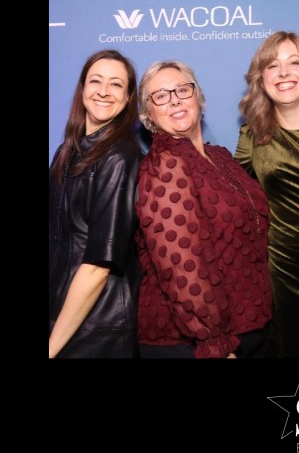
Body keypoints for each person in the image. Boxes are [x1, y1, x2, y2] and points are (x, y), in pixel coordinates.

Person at [135, 60, 271, 358]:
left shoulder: (219, 156)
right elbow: (183, 268)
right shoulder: (165, 165)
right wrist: (214, 343)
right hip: (194, 343)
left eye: (182, 89)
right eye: (161, 95)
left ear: (198, 96)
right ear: (149, 114)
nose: (174, 100)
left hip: (248, 328)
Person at [236, 31, 299, 357]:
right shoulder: (252, 136)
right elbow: (232, 197)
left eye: (294, 62)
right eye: (272, 65)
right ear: (261, 78)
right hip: (284, 275)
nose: (283, 73)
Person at [49, 50, 141, 357]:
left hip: (97, 328)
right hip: (63, 314)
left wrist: (51, 347)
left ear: (128, 98)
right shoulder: (67, 151)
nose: (103, 91)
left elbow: (98, 267)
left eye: (116, 84)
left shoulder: (120, 157)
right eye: (96, 81)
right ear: (82, 88)